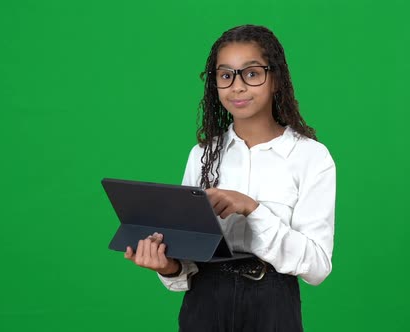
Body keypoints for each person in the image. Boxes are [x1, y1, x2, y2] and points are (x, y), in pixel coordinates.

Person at [124, 24, 336, 331]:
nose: (237, 87)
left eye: (251, 74)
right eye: (225, 75)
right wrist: (168, 267)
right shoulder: (202, 155)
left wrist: (252, 207)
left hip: (272, 307)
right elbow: (187, 260)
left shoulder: (311, 157)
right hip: (204, 306)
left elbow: (317, 267)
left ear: (275, 79)